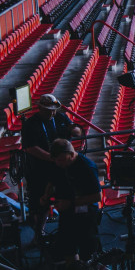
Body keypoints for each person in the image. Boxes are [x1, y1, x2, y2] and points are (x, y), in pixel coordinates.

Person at [21, 94, 82, 231]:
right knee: (40, 205)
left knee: (65, 200)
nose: (52, 113)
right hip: (39, 171)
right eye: (48, 110)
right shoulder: (30, 124)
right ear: (40, 108)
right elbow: (31, 148)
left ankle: (67, 231)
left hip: (61, 168)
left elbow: (77, 132)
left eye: (54, 110)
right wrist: (52, 158)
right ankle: (38, 234)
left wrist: (74, 129)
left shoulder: (60, 117)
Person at [48, 139, 101, 261]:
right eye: (55, 160)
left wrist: (70, 203)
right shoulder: (60, 163)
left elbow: (97, 197)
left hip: (86, 213)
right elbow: (53, 179)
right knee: (67, 247)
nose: (58, 163)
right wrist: (46, 194)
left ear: (71, 155)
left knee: (87, 249)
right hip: (67, 211)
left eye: (61, 160)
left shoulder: (87, 167)